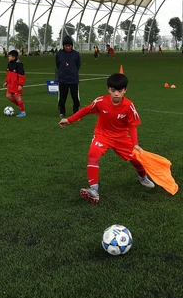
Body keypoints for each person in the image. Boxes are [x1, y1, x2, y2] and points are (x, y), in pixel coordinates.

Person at [58, 73, 155, 203]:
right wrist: (69, 120)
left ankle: (143, 177)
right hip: (102, 135)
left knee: (136, 158)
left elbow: (133, 126)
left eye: (119, 91)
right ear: (109, 89)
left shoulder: (129, 106)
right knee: (93, 154)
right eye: (113, 90)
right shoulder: (100, 101)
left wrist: (135, 144)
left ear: (124, 90)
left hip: (121, 137)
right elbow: (86, 110)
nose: (116, 94)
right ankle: (94, 190)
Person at [56, 36, 81, 118]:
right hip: (63, 79)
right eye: (66, 46)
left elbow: (78, 65)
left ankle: (76, 111)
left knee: (75, 97)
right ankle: (62, 111)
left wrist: (72, 71)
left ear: (72, 46)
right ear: (63, 46)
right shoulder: (59, 54)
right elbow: (57, 65)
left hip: (73, 79)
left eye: (69, 46)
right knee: (62, 97)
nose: (68, 47)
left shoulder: (76, 54)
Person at [3, 49, 26, 117]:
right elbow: (8, 74)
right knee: (8, 96)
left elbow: (22, 76)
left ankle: (23, 112)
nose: (8, 57)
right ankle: (21, 105)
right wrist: (6, 82)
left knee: (17, 97)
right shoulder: (9, 64)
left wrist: (20, 84)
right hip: (10, 84)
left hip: (16, 84)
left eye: (9, 56)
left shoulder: (19, 65)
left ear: (14, 57)